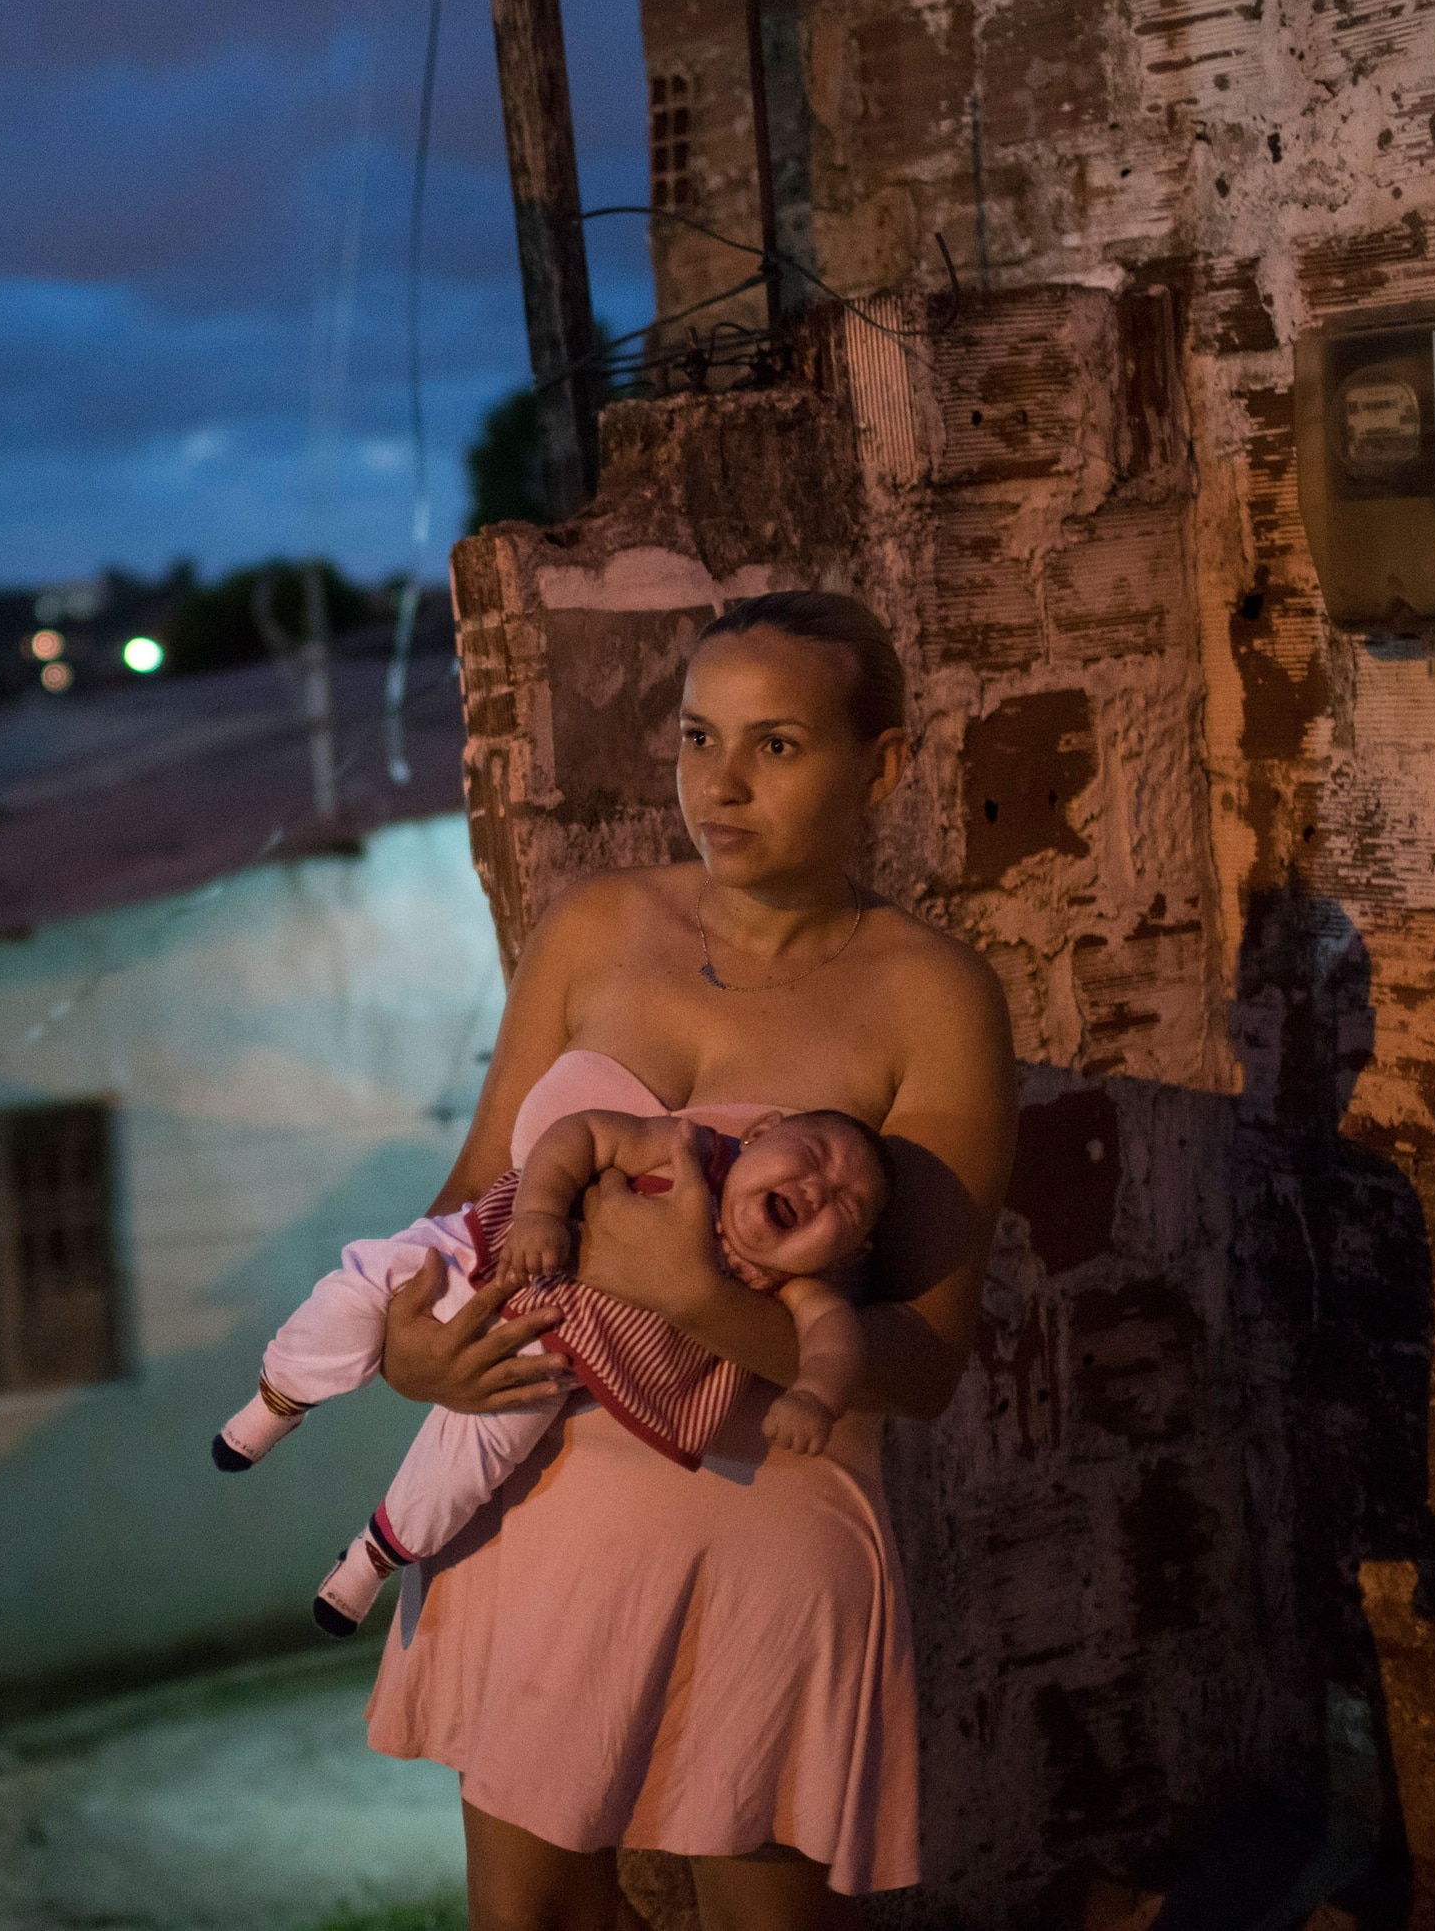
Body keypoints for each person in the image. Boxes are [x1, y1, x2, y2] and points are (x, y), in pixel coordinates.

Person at [369, 590, 1017, 1931]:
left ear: (881, 765)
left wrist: (699, 1296)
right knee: (529, 1918)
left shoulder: (931, 996)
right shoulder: (596, 931)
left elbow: (925, 1360)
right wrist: (405, 1339)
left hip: (766, 1522)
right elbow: (464, 1201)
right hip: (537, 1498)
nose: (718, 784)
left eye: (775, 744)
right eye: (698, 737)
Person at [211, 1101, 891, 1635]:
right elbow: (584, 1133)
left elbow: (835, 1337)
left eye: (846, 1206)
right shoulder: (692, 1149)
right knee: (364, 1282)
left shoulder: (788, 1281)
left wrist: (816, 1394)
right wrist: (540, 1209)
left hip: (546, 1355)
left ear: (848, 1254)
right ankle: (278, 1399)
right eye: (813, 1154)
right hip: (485, 1252)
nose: (817, 1188)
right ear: (765, 1131)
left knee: (467, 1467)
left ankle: (370, 1560)